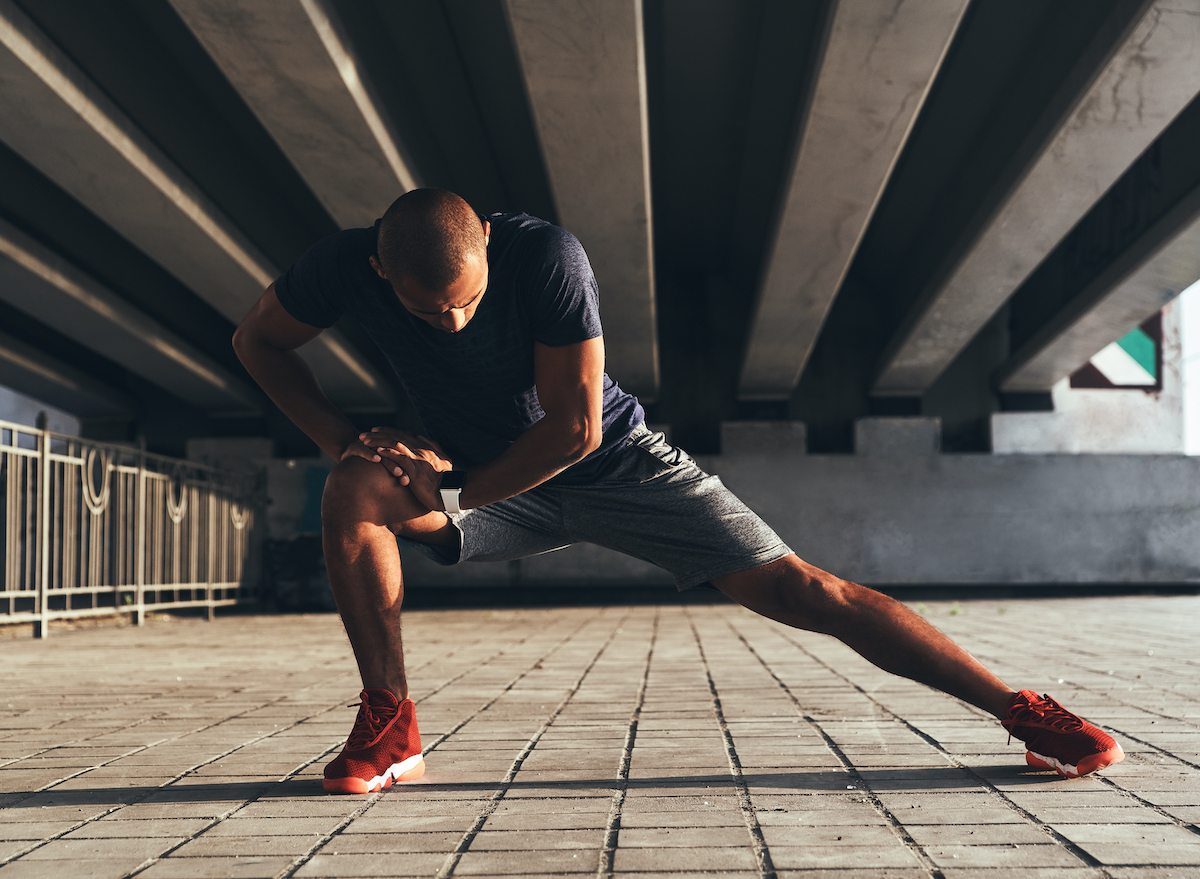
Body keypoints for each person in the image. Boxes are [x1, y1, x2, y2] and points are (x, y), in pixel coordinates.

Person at [234, 188, 1123, 794]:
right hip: (472, 470)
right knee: (352, 487)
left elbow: (573, 427)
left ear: (488, 257)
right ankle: (391, 724)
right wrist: (346, 439)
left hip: (608, 460)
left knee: (806, 589)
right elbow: (258, 342)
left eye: (467, 302)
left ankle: (1021, 710)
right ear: (383, 275)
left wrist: (457, 494)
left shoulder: (546, 257)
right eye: (432, 314)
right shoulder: (342, 266)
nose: (454, 322)